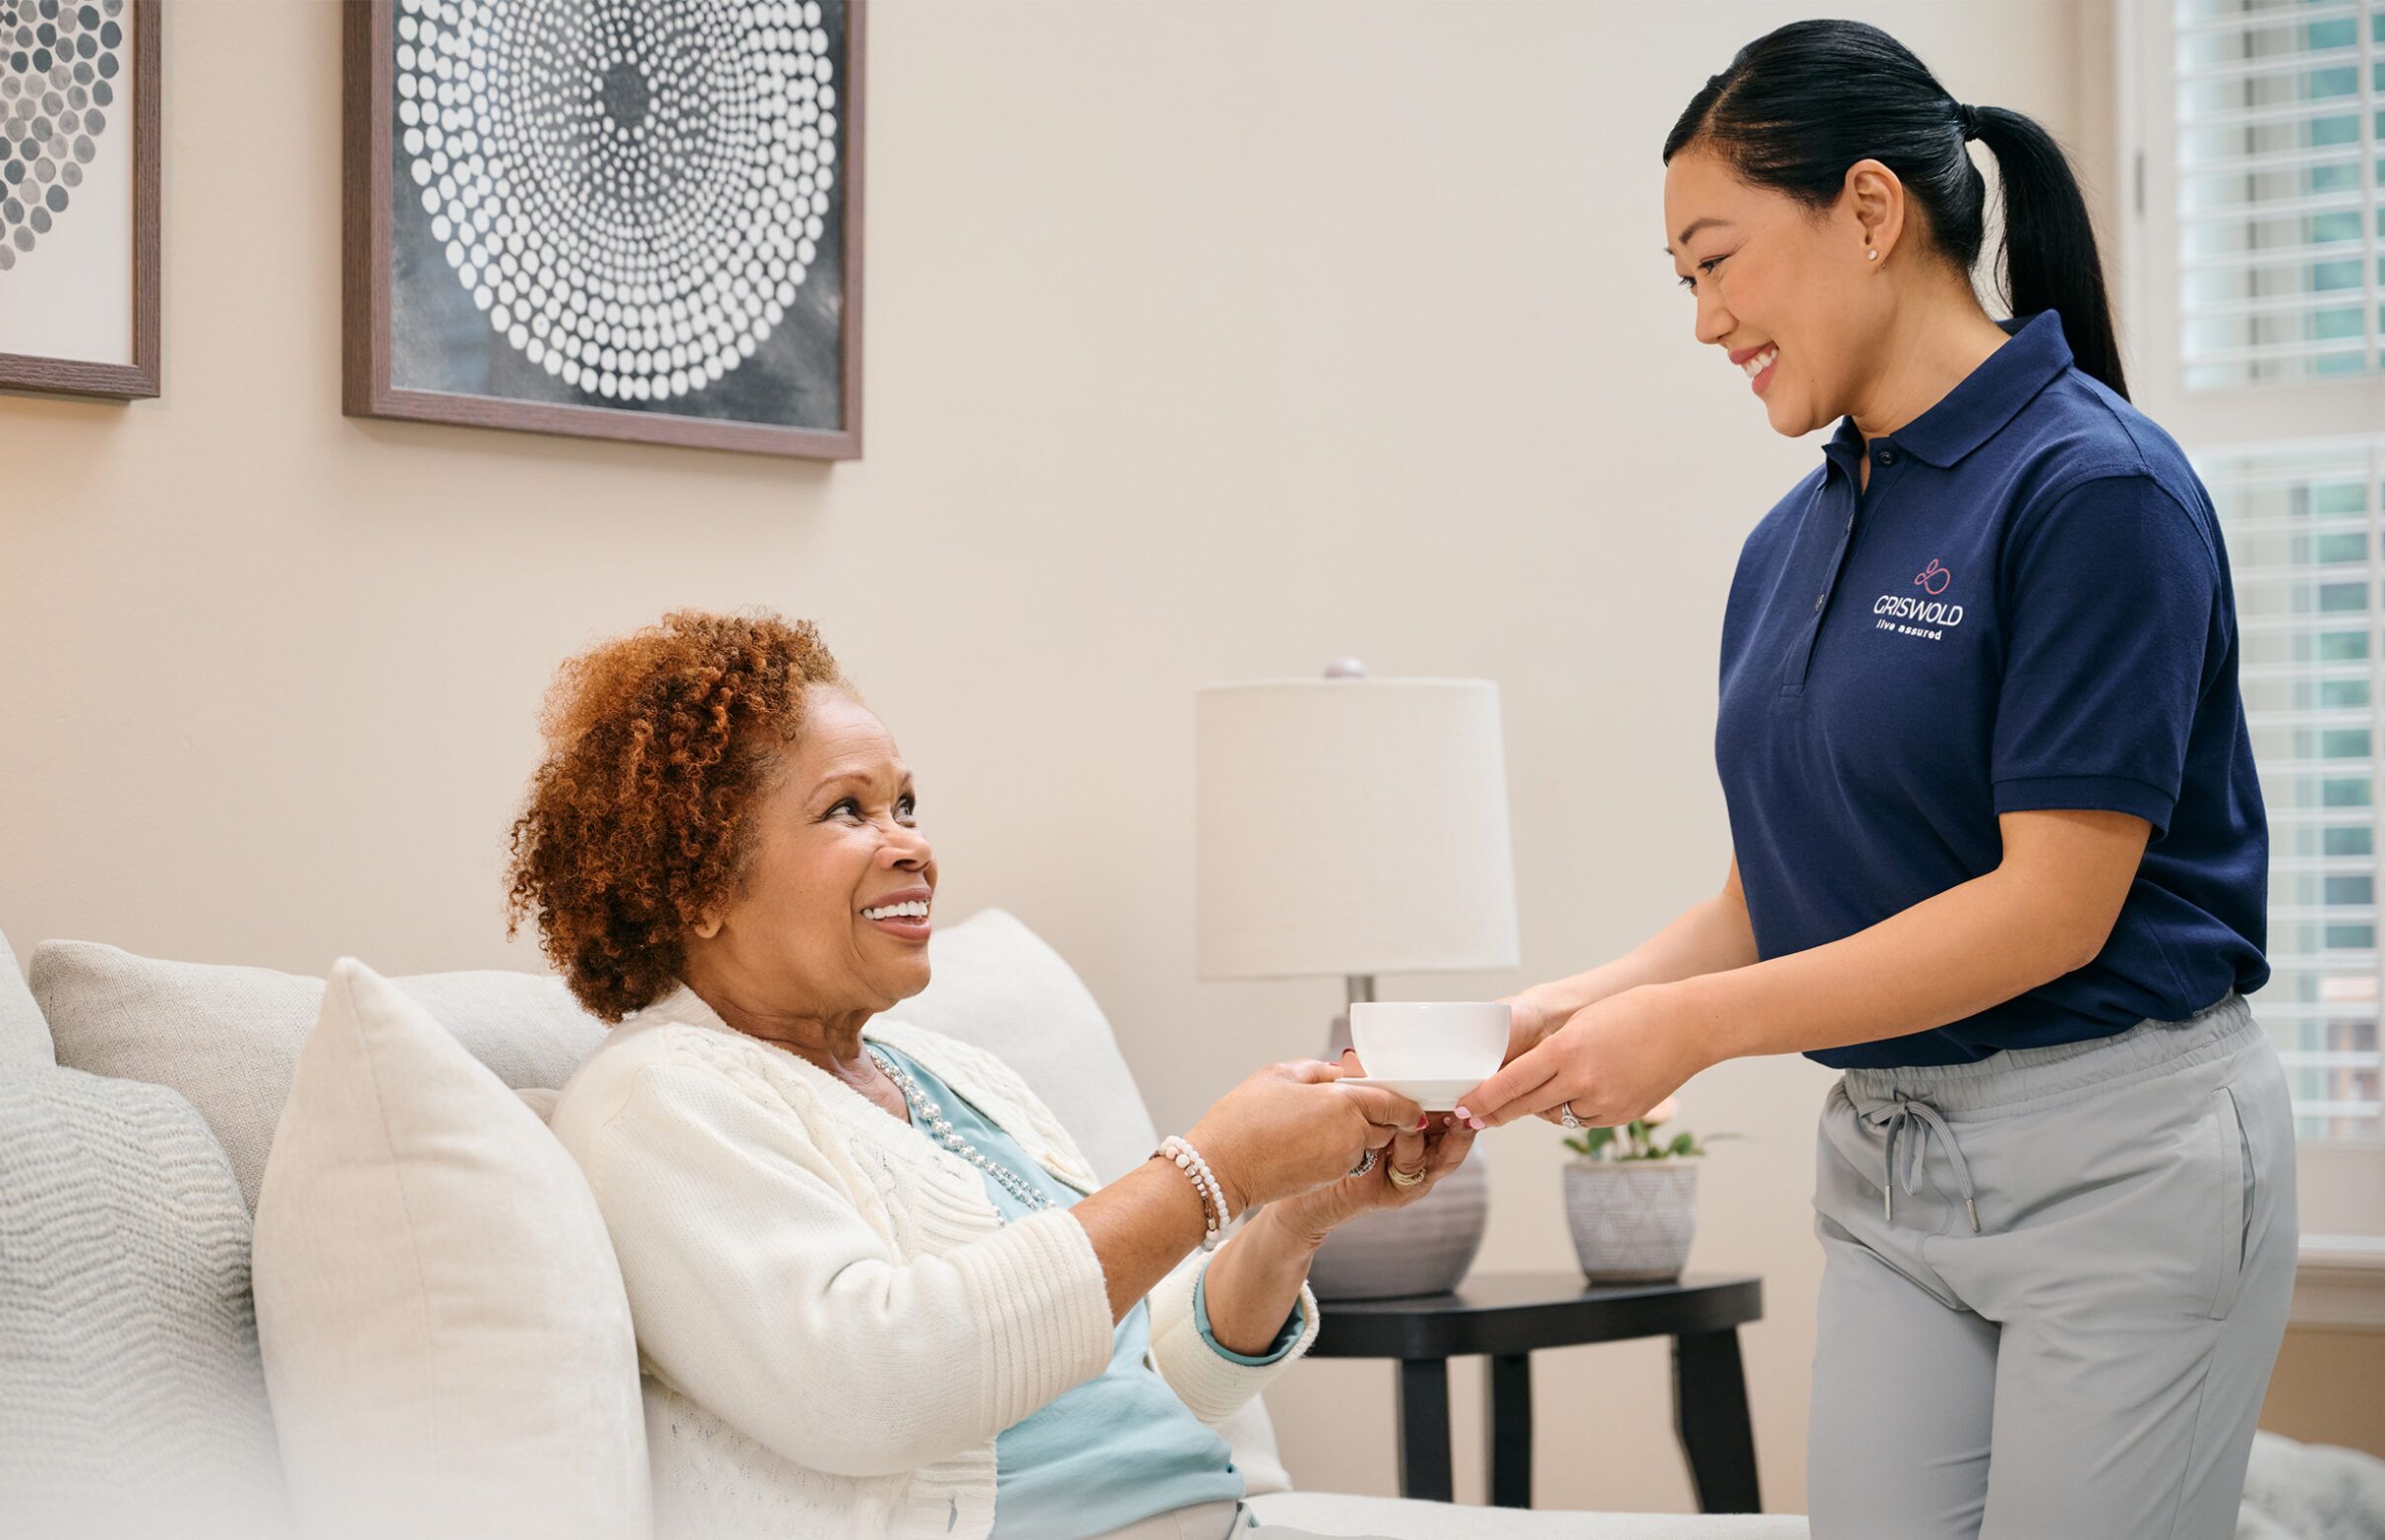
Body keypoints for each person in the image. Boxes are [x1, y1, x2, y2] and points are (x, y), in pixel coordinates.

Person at [1456, 20, 2296, 1540]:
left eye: (1717, 260)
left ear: (1865, 208)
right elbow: (1772, 896)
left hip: (2126, 1170)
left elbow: (2050, 909)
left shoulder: (2095, 491)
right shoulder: (1793, 540)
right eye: (1684, 281)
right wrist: (1567, 1010)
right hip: (1899, 1172)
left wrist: (1690, 1031)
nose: (1705, 319)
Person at [508, 611, 1476, 1540]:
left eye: (906, 805)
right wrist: (1210, 1173)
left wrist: (1289, 1218)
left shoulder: (955, 1074)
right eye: (847, 809)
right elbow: (881, 1387)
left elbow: (1140, 1381)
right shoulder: (658, 1102)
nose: (911, 845)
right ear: (700, 885)